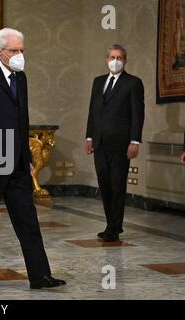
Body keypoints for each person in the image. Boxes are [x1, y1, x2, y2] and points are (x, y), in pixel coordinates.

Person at [0, 28, 66, 290]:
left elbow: (22, 120)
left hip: (17, 162)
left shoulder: (21, 77)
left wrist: (27, 156)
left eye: (22, 50)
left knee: (28, 219)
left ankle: (40, 276)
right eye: (14, 51)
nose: (19, 55)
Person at [86, 44, 145, 242]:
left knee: (117, 185)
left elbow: (138, 115)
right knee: (104, 185)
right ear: (106, 59)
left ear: (125, 61)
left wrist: (134, 141)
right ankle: (113, 225)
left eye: (119, 57)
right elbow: (92, 112)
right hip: (100, 142)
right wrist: (89, 137)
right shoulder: (98, 82)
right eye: (112, 57)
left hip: (121, 144)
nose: (115, 60)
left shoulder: (133, 83)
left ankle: (113, 229)